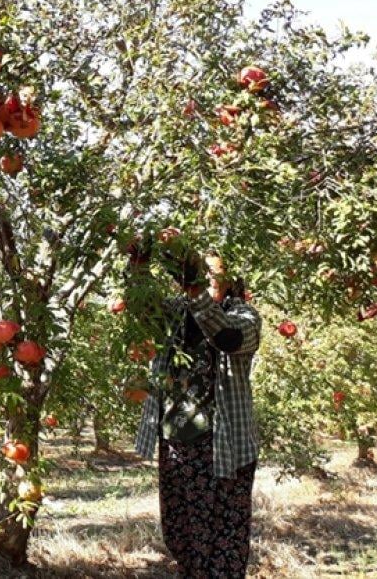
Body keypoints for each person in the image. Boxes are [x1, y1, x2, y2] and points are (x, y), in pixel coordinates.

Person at [131, 247, 262, 578]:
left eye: (213, 273)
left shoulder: (244, 316)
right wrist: (139, 266)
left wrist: (194, 289)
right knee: (181, 534)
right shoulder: (176, 313)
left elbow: (226, 336)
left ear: (230, 279)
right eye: (201, 273)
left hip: (224, 447)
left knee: (223, 542)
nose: (207, 279)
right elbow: (143, 310)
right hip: (177, 443)